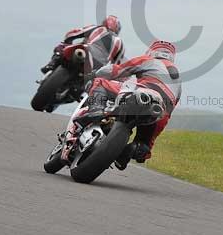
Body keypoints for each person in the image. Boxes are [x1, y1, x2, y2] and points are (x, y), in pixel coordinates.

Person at [77, 40, 181, 168]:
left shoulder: (148, 60)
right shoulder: (179, 81)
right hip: (161, 110)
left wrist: (94, 74)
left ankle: (96, 110)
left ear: (152, 51)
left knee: (99, 82)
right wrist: (147, 146)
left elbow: (116, 70)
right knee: (144, 144)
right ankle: (134, 149)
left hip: (143, 92)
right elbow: (167, 116)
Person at [40, 15, 124, 75]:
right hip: (99, 66)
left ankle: (50, 65)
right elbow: (116, 65)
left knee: (61, 46)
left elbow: (72, 34)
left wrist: (68, 42)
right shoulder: (120, 43)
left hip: (85, 51)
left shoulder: (97, 28)